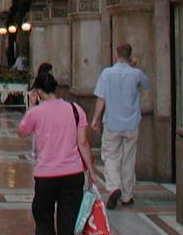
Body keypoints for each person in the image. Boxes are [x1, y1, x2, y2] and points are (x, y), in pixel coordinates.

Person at [18, 71, 92, 235]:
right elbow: (83, 143)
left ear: (38, 92)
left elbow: (22, 131)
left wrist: (31, 106)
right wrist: (91, 172)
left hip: (46, 175)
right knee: (68, 223)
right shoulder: (75, 109)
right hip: (73, 173)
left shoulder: (36, 112)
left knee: (43, 220)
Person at [91, 43, 150, 209]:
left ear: (116, 54)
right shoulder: (136, 73)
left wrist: (95, 118)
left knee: (110, 156)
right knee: (128, 159)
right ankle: (127, 196)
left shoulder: (107, 73)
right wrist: (134, 66)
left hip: (112, 124)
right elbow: (146, 84)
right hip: (131, 124)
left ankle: (113, 187)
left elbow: (101, 98)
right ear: (130, 56)